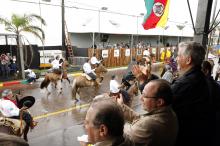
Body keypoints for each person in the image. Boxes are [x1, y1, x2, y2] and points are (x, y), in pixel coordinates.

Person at [171, 41, 215, 146]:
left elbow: (160, 101)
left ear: (188, 60)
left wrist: (144, 81)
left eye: (179, 56)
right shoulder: (200, 77)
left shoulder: (186, 82)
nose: (176, 59)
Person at [116, 79, 178, 146]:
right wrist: (121, 106)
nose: (141, 98)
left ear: (159, 102)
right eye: (142, 94)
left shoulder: (149, 125)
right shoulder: (168, 113)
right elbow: (141, 119)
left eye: (145, 96)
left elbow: (123, 137)